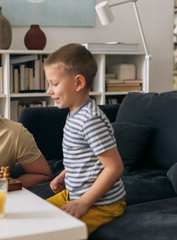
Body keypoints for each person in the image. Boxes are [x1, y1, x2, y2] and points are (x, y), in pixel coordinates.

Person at [44, 43, 126, 234]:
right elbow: (84, 157)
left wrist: (83, 203)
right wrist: (64, 174)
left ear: (78, 83)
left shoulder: (90, 119)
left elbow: (114, 167)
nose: (49, 90)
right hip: (73, 194)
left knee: (55, 232)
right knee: (36, 215)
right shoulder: (74, 114)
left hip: (103, 204)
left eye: (54, 84)